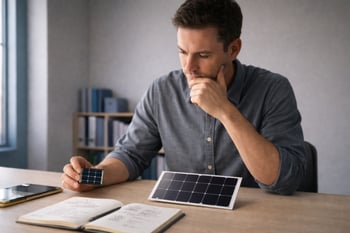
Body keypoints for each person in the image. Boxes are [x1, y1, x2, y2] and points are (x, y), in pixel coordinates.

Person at [62, 0, 306, 195]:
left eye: (203, 54)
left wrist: (225, 111)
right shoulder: (161, 90)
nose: (189, 67)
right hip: (183, 215)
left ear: (233, 49)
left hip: (255, 220)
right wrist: (93, 176)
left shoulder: (273, 89)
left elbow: (283, 181)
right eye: (182, 52)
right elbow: (131, 155)